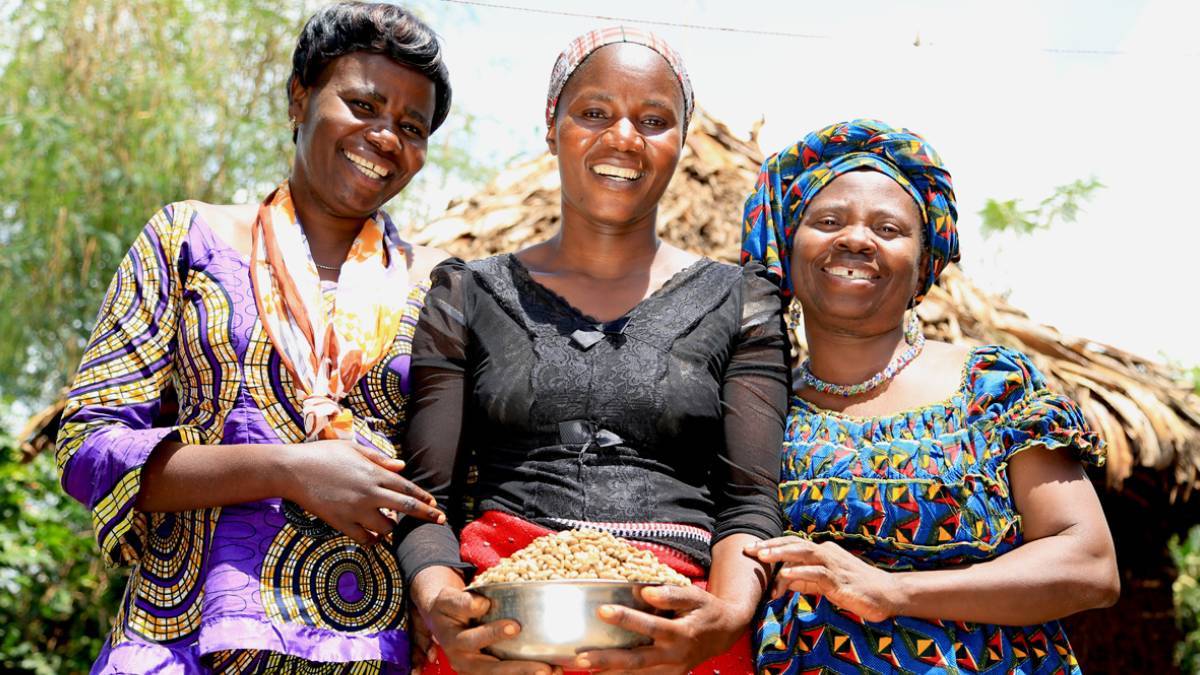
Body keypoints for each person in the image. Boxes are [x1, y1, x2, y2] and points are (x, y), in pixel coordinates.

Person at [55, 3, 453, 671]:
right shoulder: (189, 240)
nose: (385, 135)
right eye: (362, 104)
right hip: (183, 639)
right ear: (300, 98)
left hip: (366, 649)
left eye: (410, 126)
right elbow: (88, 444)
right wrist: (289, 469)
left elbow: (452, 485)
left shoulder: (439, 284)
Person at [395, 27, 790, 675]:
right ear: (552, 126)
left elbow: (749, 500)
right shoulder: (467, 292)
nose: (625, 138)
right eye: (595, 113)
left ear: (682, 142)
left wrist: (726, 615)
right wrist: (442, 605)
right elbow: (426, 499)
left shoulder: (742, 302)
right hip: (505, 627)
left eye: (654, 119)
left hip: (679, 627)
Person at [739, 119, 1120, 674]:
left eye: (888, 228)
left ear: (922, 264)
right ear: (787, 249)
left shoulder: (989, 388)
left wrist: (893, 591)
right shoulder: (760, 407)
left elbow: (1089, 564)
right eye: (827, 221)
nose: (856, 239)